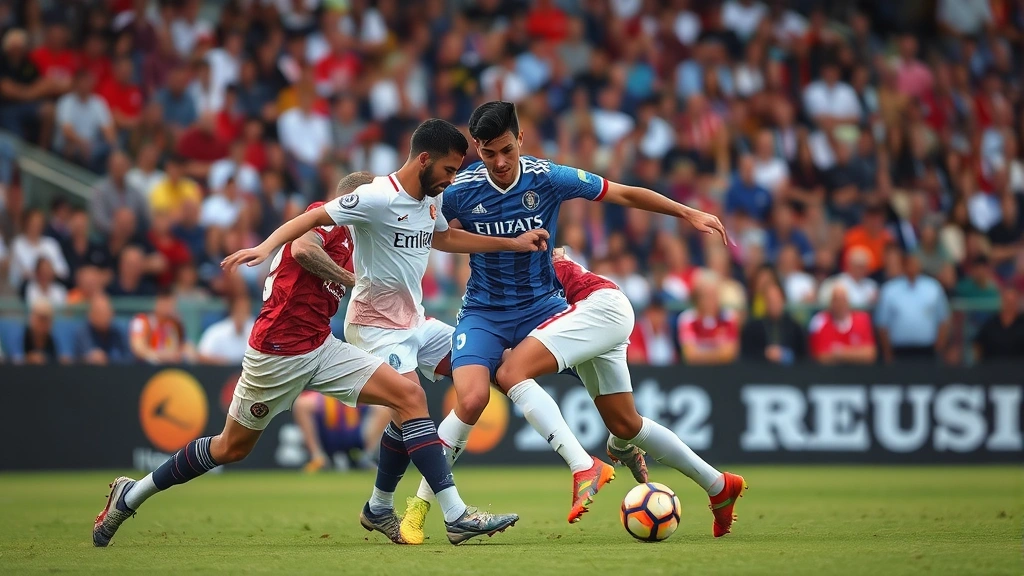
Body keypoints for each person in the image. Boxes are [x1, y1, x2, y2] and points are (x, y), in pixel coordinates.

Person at [96, 183, 521, 552]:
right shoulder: (330, 220)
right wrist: (352, 280)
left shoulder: (360, 240)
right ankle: (132, 494)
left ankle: (443, 512)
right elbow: (300, 248)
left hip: (320, 346)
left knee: (409, 397)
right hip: (276, 355)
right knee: (231, 448)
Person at [217, 118, 549, 545]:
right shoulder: (375, 197)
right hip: (375, 328)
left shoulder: (430, 202)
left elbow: (445, 240)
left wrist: (513, 243)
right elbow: (310, 223)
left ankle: (378, 506)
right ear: (425, 159)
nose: (452, 180)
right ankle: (454, 513)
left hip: (417, 323)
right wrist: (265, 247)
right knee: (410, 401)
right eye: (449, 170)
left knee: (486, 369)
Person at [407, 101, 730, 536]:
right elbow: (441, 238)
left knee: (621, 420)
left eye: (507, 150)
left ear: (520, 140)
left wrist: (685, 211)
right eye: (488, 153)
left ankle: (679, 473)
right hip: (484, 311)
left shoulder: (548, 177)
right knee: (469, 400)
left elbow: (623, 192)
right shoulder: (460, 188)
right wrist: (505, 244)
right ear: (476, 151)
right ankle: (422, 509)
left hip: (545, 307)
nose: (500, 162)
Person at [741, 283, 806, 364]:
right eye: (770, 300)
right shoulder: (753, 328)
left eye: (777, 300)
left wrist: (785, 355)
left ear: (783, 300)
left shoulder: (795, 327)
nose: (774, 304)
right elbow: (747, 355)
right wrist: (765, 354)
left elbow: (803, 356)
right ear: (765, 302)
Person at [196, 297, 255, 365]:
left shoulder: (256, 330)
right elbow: (201, 356)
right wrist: (224, 362)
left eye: (245, 312)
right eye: (239, 311)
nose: (242, 315)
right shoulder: (217, 331)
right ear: (232, 311)